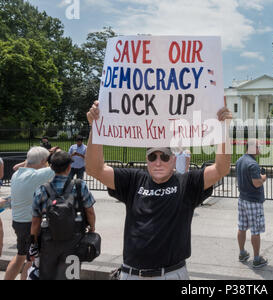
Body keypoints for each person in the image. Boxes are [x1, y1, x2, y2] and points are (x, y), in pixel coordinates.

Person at [85, 100, 232, 280]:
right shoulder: (133, 180)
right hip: (131, 274)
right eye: (152, 156)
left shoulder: (187, 183)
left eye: (164, 156)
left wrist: (223, 128)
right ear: (146, 159)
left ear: (173, 159)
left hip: (170, 274)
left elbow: (221, 169)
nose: (158, 162)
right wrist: (96, 127)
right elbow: (95, 169)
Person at [29, 151, 96, 280]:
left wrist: (33, 245)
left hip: (49, 242)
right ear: (69, 167)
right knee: (71, 277)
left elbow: (35, 222)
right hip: (74, 241)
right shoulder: (79, 185)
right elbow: (90, 211)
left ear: (52, 167)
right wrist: (92, 228)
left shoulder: (42, 189)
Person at [4, 147, 54, 280]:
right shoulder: (35, 176)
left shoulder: (17, 175)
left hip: (18, 222)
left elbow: (19, 166)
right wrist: (52, 154)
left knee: (21, 256)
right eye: (46, 161)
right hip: (30, 225)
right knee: (31, 260)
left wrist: (41, 155)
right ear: (43, 161)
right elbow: (62, 163)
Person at [235, 139, 268, 268]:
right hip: (253, 201)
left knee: (242, 227)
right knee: (255, 230)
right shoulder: (253, 164)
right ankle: (256, 259)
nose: (260, 149)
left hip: (242, 199)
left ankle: (242, 253)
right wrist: (264, 177)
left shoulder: (239, 160)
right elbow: (257, 183)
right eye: (259, 147)